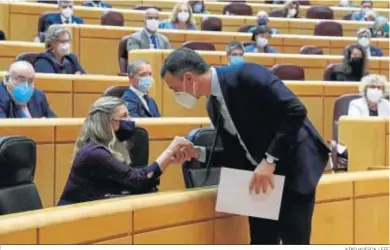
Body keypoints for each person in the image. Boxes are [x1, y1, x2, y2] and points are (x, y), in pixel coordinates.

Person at [160, 48, 330, 245]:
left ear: (188, 78)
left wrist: (269, 160)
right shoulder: (213, 105)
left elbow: (295, 110)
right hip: (260, 178)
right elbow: (237, 154)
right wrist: (198, 153)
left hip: (293, 165)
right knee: (261, 241)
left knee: (295, 241)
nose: (176, 94)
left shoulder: (246, 74)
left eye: (174, 88)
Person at [58, 96, 192, 205]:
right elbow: (138, 181)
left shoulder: (103, 148)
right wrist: (168, 154)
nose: (130, 121)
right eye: (124, 116)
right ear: (107, 122)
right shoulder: (95, 153)